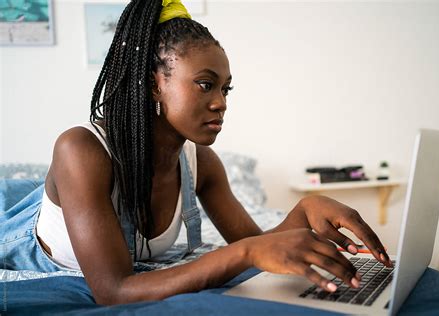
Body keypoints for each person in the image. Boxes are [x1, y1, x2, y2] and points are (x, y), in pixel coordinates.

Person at [0, 0, 392, 305]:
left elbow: (257, 244)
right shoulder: (81, 150)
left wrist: (303, 213)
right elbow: (113, 291)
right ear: (154, 85)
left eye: (226, 89)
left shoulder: (200, 163)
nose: (221, 102)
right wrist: (247, 252)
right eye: (206, 85)